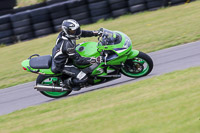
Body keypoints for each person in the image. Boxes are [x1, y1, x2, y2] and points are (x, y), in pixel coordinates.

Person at [51, 19, 102, 91]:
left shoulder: (67, 34)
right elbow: (79, 60)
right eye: (74, 31)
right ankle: (68, 83)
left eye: (77, 29)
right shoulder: (67, 45)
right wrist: (94, 60)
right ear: (67, 31)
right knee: (84, 77)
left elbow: (82, 33)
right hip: (62, 65)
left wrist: (95, 33)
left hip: (66, 56)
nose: (76, 32)